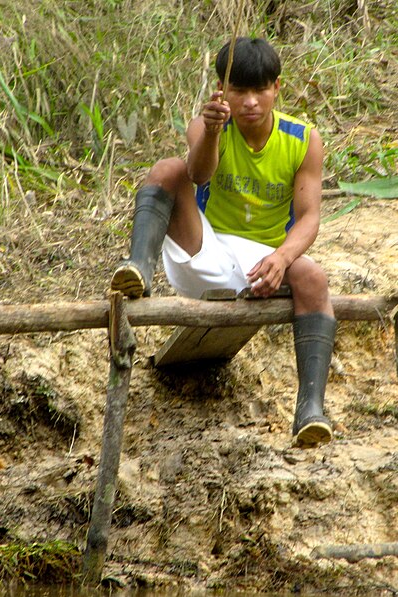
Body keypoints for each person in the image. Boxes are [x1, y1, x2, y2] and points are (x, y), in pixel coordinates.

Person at [110, 37, 336, 447]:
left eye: (260, 90)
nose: (250, 101)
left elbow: (309, 218)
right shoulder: (206, 125)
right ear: (222, 91)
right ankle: (137, 268)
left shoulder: (303, 139)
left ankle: (310, 411)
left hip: (260, 260)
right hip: (205, 250)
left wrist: (282, 258)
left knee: (314, 281)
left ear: (276, 89)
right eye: (239, 90)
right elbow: (197, 175)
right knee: (168, 168)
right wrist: (212, 132)